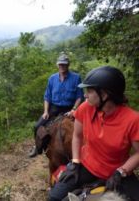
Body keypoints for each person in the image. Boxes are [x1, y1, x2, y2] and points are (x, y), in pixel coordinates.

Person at [48, 66, 139, 201]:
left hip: (116, 172)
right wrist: (75, 162)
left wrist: (121, 172)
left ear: (104, 95)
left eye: (89, 91)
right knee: (54, 197)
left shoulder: (133, 119)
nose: (85, 95)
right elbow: (77, 136)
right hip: (87, 166)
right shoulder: (85, 108)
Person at [28, 52, 83, 158]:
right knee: (37, 126)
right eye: (60, 64)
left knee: (83, 127)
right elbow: (47, 97)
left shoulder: (76, 78)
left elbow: (79, 96)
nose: (62, 66)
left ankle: (84, 150)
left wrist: (74, 109)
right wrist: (45, 111)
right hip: (54, 107)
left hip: (70, 107)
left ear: (68, 65)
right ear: (57, 65)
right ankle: (37, 147)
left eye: (64, 64)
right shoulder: (52, 79)